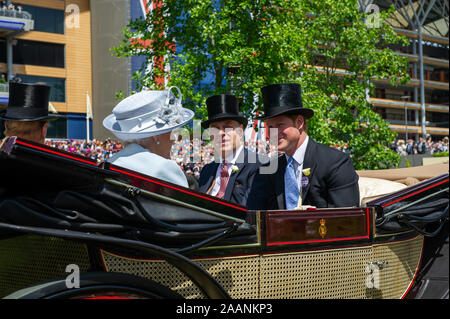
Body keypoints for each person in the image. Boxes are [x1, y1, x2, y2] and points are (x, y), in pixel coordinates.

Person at [247, 83, 360, 210]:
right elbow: (254, 216)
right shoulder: (268, 170)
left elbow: (346, 218)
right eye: (271, 127)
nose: (273, 133)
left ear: (299, 123)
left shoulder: (335, 163)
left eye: (280, 125)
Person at [103, 86, 194, 188]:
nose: (174, 138)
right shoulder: (164, 168)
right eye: (171, 131)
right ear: (156, 135)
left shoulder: (111, 163)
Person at [198, 94, 266, 206]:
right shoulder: (207, 171)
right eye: (215, 128)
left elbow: (248, 215)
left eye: (227, 127)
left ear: (240, 131)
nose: (221, 133)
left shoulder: (258, 166)